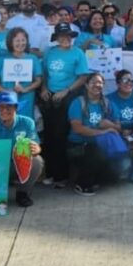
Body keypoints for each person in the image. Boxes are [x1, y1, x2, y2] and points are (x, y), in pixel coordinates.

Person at [40, 22, 90, 187]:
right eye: (62, 36)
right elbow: (44, 73)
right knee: (49, 135)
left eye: (68, 36)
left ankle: (62, 176)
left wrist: (66, 91)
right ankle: (50, 173)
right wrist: (44, 88)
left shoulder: (78, 53)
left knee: (61, 135)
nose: (65, 39)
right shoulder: (50, 52)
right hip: (50, 96)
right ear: (57, 38)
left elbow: (83, 77)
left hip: (69, 96)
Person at [67, 72, 121, 196]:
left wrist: (110, 125)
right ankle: (82, 185)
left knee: (114, 177)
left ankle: (97, 178)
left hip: (102, 144)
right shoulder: (78, 103)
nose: (97, 85)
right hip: (78, 145)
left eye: (100, 83)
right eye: (93, 82)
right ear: (86, 85)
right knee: (94, 150)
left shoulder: (108, 103)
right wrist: (103, 131)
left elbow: (118, 128)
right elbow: (77, 128)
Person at [0, 28, 43, 119]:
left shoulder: (33, 59)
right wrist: (7, 91)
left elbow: (38, 81)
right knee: (3, 123)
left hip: (26, 98)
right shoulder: (2, 59)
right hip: (5, 99)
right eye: (17, 40)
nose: (20, 43)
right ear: (11, 42)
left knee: (23, 123)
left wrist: (25, 89)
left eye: (23, 40)